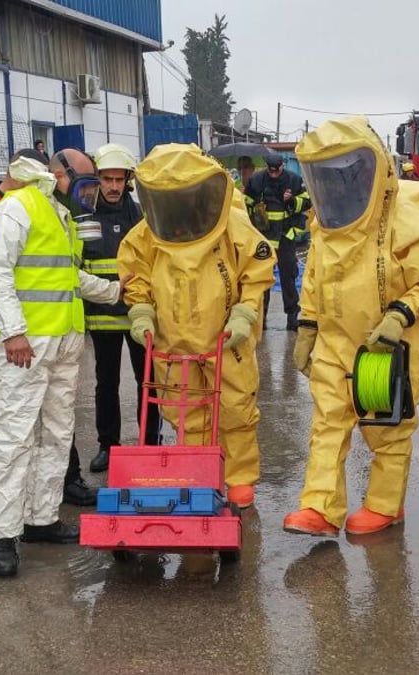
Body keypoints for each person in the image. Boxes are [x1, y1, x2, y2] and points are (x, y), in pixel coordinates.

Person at [283, 117, 419, 537]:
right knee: (327, 423)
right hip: (334, 340)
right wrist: (307, 326)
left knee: (385, 427)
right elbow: (313, 278)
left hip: (383, 345)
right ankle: (319, 508)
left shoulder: (403, 220)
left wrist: (399, 316)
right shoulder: (325, 226)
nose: (334, 185)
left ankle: (385, 506)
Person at [0, 149, 126, 578]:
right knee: (15, 438)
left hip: (61, 344)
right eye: (81, 181)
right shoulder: (16, 210)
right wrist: (13, 333)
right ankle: (2, 536)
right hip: (23, 347)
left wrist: (116, 291)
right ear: (56, 175)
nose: (87, 190)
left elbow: (67, 277)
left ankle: (41, 519)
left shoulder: (56, 216)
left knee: (57, 434)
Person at [117, 143, 276, 509]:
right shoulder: (146, 234)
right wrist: (141, 313)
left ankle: (238, 478)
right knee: (186, 414)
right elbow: (136, 278)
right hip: (173, 341)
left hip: (226, 339)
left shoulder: (231, 226)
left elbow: (256, 272)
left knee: (236, 410)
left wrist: (244, 313)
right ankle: (201, 477)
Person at [0, 149, 97, 515]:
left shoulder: (44, 211)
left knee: (50, 419)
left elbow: (60, 273)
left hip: (28, 326)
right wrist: (10, 289)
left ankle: (59, 488)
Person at [84, 143, 160, 472]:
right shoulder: (83, 216)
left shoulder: (142, 217)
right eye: (106, 179)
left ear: (128, 179)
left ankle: (150, 445)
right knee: (106, 384)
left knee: (149, 382)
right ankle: (108, 446)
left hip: (137, 314)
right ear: (97, 179)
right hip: (101, 317)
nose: (113, 186)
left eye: (119, 179)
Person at [244, 152, 310, 330]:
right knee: (261, 278)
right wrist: (255, 213)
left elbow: (306, 202)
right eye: (270, 171)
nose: (273, 174)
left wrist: (292, 200)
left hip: (285, 237)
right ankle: (261, 319)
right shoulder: (256, 180)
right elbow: (245, 204)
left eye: (276, 171)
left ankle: (292, 317)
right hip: (263, 238)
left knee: (288, 277)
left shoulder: (294, 180)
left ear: (282, 166)